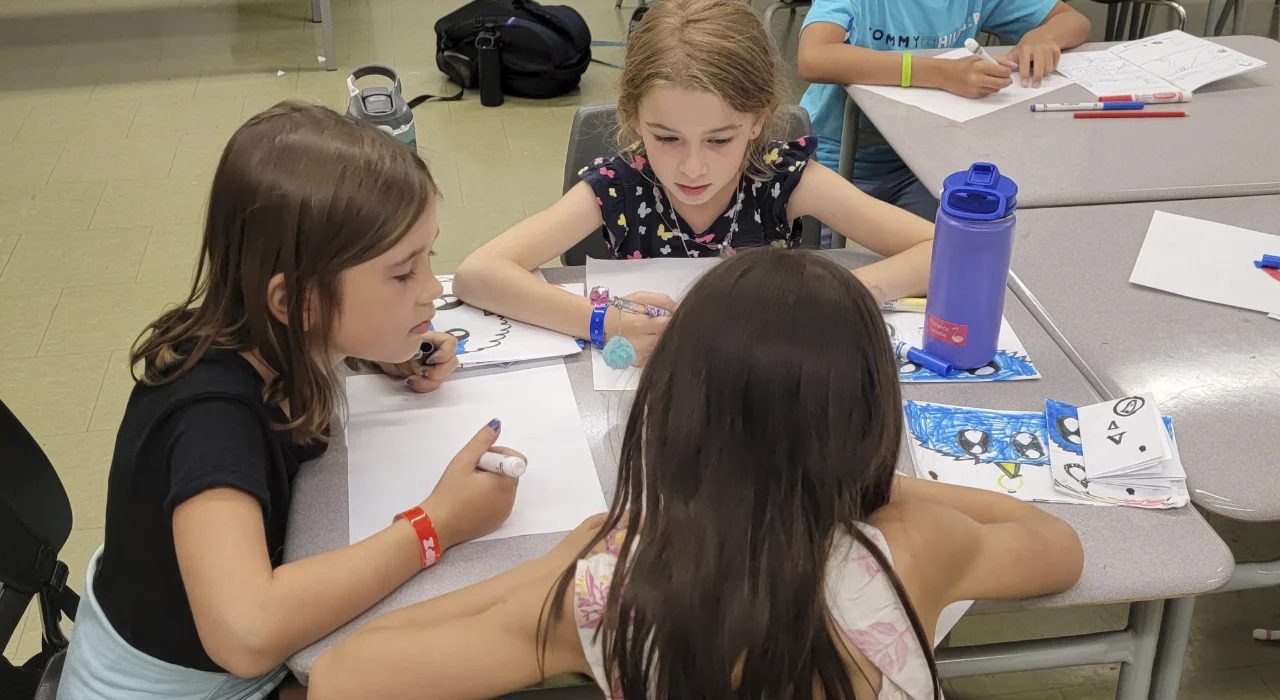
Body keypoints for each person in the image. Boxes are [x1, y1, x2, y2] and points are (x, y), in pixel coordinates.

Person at [308, 247, 1085, 700]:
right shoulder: (917, 547)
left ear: (672, 414)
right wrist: (855, 481)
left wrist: (566, 561)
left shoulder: (607, 590)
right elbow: (1054, 543)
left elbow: (344, 677)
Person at [58, 102, 522, 700]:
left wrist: (369, 348)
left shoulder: (275, 339)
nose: (433, 288)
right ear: (298, 301)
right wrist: (436, 525)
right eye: (403, 273)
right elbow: (246, 634)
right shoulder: (209, 423)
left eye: (428, 258)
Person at [453, 0, 935, 367]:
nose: (692, 168)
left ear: (757, 121)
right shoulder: (620, 186)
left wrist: (837, 296)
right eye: (667, 138)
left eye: (719, 140)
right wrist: (601, 321)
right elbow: (478, 274)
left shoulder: (782, 177)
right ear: (633, 118)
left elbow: (948, 250)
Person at [796, 0, 1091, 222]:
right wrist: (940, 73)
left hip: (924, 164)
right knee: (815, 267)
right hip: (837, 159)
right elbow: (813, 57)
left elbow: (1073, 20)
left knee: (949, 253)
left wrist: (1042, 37)